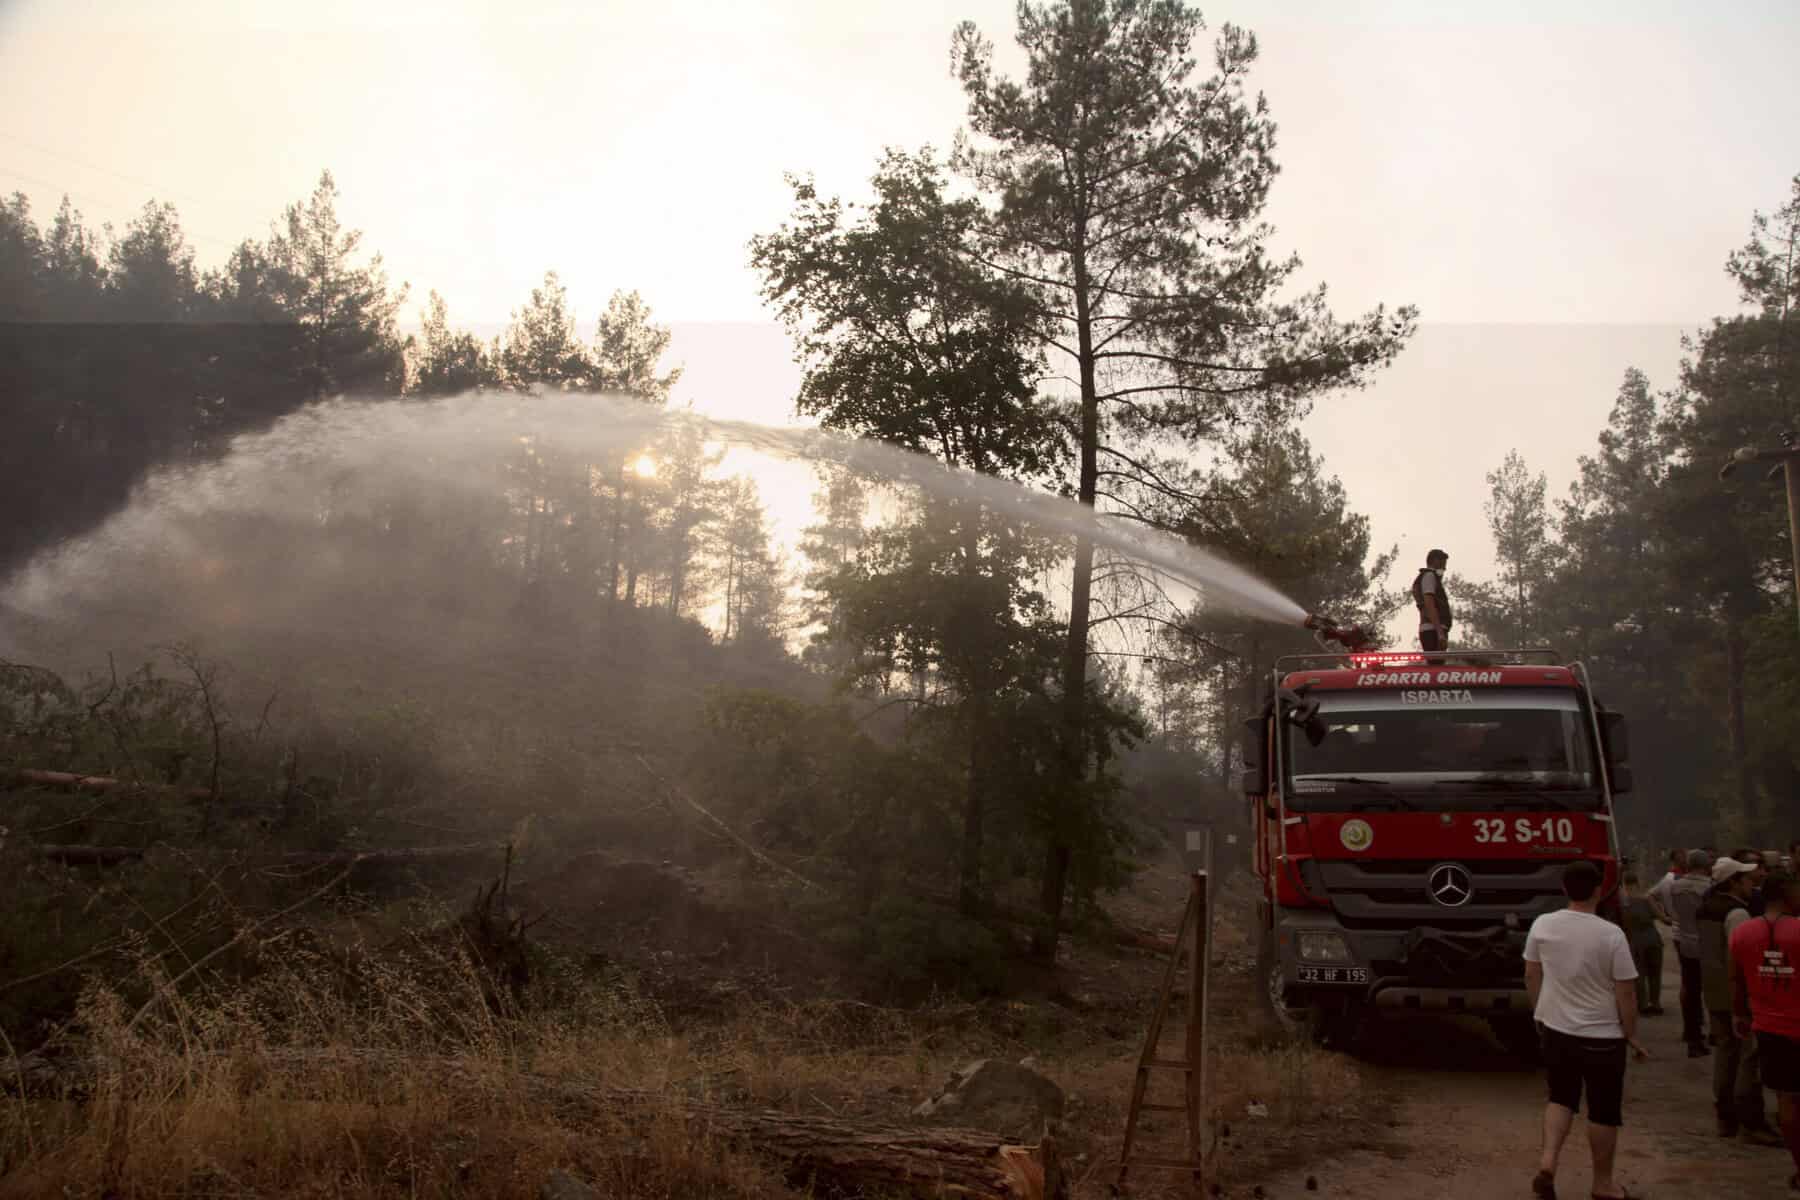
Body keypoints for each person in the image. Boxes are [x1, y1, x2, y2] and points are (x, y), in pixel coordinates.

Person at [1526, 860, 1648, 1200]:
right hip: (1602, 1036)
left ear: (1565, 889)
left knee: (1560, 1098)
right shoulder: (1611, 934)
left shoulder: (1543, 925)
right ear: (1598, 890)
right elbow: (1626, 992)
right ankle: (1603, 1184)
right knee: (1603, 1110)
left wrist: (1540, 1011)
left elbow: (1531, 974)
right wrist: (1631, 1034)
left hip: (1557, 1029)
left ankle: (1548, 1163)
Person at [1731, 867, 1800, 1192]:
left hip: (1769, 1027)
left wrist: (1740, 1014)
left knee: (1786, 1101)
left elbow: (1736, 979)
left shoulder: (1743, 933)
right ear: (1787, 894)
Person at [1702, 857, 1780, 1143]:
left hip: (1712, 989)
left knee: (1725, 1054)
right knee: (1749, 1057)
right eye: (1746, 879)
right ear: (1733, 882)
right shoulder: (1737, 914)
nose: (1752, 883)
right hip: (1736, 994)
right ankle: (1751, 1120)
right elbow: (1742, 957)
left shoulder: (1706, 908)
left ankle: (1725, 1116)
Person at [1651, 848, 1714, 1056]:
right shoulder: (1710, 888)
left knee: (1691, 989)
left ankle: (1693, 1037)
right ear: (1706, 866)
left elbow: (1658, 900)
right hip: (1706, 943)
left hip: (1684, 940)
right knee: (1711, 989)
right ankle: (1712, 1032)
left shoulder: (1675, 886)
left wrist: (1666, 917)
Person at [1618, 872, 1665, 1016]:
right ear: (1637, 883)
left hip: (1634, 939)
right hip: (1652, 937)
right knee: (1655, 973)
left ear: (1624, 884)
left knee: (1639, 973)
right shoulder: (1647, 898)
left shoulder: (1622, 903)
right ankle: (1655, 1003)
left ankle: (1643, 1005)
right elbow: (1661, 917)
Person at [1412, 548, 1453, 653]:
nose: (1444, 568)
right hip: (1433, 630)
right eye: (1443, 564)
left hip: (1431, 629)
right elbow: (1429, 604)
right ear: (1435, 561)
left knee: (1435, 664)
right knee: (1437, 666)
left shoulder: (1425, 578)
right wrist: (1440, 633)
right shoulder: (1429, 576)